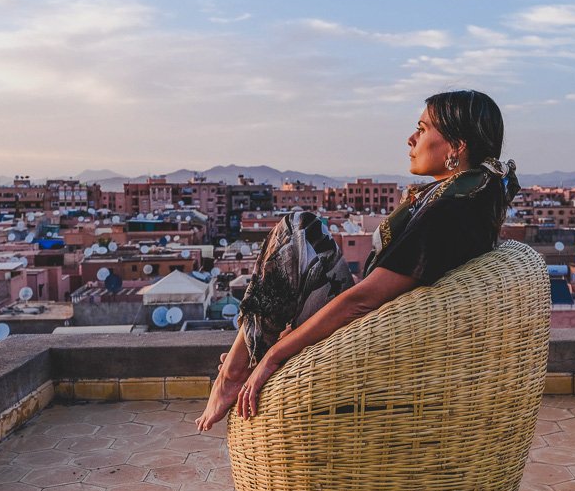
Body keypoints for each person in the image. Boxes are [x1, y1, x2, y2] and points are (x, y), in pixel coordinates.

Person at [195, 90, 520, 431]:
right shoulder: (469, 198)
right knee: (303, 231)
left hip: (368, 345)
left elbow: (363, 301)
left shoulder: (450, 212)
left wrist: (274, 355)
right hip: (382, 333)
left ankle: (233, 372)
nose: (411, 139)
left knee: (298, 228)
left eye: (422, 129)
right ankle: (243, 359)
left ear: (456, 146)